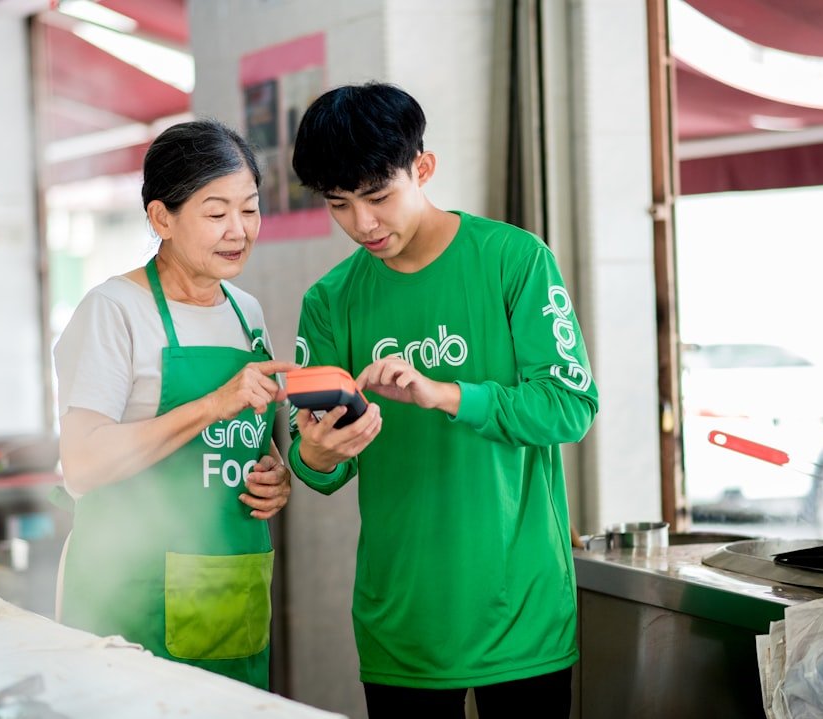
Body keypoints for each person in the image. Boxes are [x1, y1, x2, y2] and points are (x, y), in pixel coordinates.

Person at [288, 82, 599, 717]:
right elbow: (316, 467)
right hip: (400, 622)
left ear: (423, 169)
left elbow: (570, 407)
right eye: (340, 205)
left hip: (522, 615)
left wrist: (446, 395)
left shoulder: (514, 260)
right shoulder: (329, 301)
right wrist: (317, 454)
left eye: (379, 197)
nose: (362, 225)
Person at [53, 119, 297, 690]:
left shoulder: (247, 312)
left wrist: (272, 474)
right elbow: (82, 463)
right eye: (216, 213)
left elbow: (231, 443)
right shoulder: (113, 310)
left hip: (230, 592)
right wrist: (213, 403)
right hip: (130, 596)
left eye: (250, 209)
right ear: (162, 217)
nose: (238, 231)